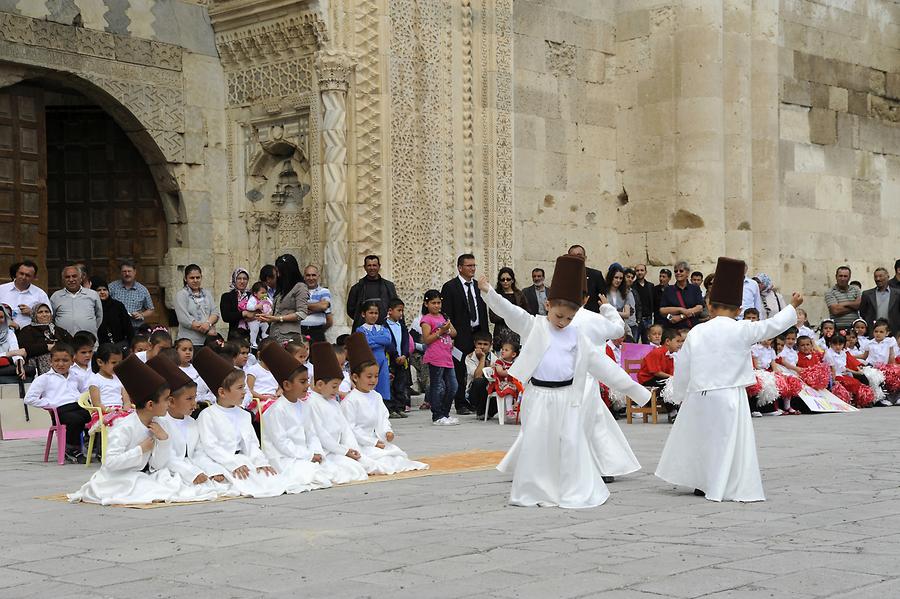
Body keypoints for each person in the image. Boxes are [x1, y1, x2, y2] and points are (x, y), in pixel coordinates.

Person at [480, 255, 651, 508]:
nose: (563, 322)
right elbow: (510, 312)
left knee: (571, 444)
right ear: (547, 305)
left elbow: (605, 368)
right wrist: (489, 293)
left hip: (568, 398)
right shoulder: (534, 326)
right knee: (538, 444)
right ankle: (536, 490)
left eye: (569, 318)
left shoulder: (578, 337)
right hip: (538, 397)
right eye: (559, 316)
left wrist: (637, 392)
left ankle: (573, 488)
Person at [655, 257, 802, 502]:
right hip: (730, 395)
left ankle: (702, 482)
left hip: (700, 394)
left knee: (702, 438)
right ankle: (722, 480)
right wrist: (792, 306)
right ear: (738, 310)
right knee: (727, 441)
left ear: (709, 307)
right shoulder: (742, 328)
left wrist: (680, 394)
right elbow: (772, 326)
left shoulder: (697, 331)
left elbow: (683, 365)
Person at [68, 354, 217, 505]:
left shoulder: (160, 424)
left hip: (140, 475)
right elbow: (110, 463)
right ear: (150, 405)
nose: (169, 403)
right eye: (166, 400)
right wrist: (140, 449)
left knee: (168, 488)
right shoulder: (124, 427)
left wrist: (163, 440)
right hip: (116, 478)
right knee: (152, 490)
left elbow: (157, 465)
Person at [194, 347, 285, 497]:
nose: (244, 392)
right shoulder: (207, 415)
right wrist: (232, 464)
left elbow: (251, 443)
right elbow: (210, 446)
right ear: (222, 392)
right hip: (221, 461)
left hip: (242, 459)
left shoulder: (243, 414)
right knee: (241, 483)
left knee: (269, 479)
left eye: (244, 387)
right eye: (240, 388)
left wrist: (260, 461)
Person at [340, 333, 428, 474]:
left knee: (397, 457)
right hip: (360, 444)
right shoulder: (350, 401)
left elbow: (383, 417)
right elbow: (350, 430)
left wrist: (387, 431)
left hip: (376, 441)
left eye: (376, 376)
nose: (373, 380)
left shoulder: (376, 396)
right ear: (355, 377)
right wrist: (372, 442)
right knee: (378, 462)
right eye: (369, 376)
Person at [146, 354, 231, 494]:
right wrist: (191, 473)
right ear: (171, 401)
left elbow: (198, 452)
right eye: (189, 398)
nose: (194, 403)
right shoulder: (160, 422)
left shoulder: (192, 422)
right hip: (169, 469)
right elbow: (166, 458)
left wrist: (211, 470)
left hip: (192, 468)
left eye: (195, 397)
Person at [257, 342, 333, 492]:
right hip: (282, 458)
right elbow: (281, 443)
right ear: (286, 385)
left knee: (329, 471)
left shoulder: (304, 406)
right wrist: (308, 455)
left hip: (303, 455)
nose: (307, 386)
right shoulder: (275, 410)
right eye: (302, 381)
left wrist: (316, 452)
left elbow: (312, 434)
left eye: (307, 381)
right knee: (313, 476)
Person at [304, 342, 369, 483]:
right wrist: (344, 451)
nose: (337, 390)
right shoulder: (311, 403)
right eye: (334, 386)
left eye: (338, 386)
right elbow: (320, 434)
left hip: (339, 449)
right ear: (320, 384)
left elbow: (345, 429)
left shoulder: (333, 402)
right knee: (346, 471)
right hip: (326, 451)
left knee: (360, 466)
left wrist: (353, 448)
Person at [24, 342, 91, 463]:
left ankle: (93, 445)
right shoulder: (44, 379)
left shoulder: (76, 376)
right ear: (51, 361)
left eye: (65, 360)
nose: (60, 364)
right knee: (75, 420)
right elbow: (29, 398)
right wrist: (50, 403)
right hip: (61, 411)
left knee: (94, 417)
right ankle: (71, 448)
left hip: (78, 407)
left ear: (72, 361)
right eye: (57, 360)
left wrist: (81, 397)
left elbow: (85, 390)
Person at [440, 254, 489, 415]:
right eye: (469, 266)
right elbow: (446, 313)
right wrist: (451, 336)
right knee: (459, 369)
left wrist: (485, 335)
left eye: (474, 265)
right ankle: (460, 402)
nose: (472, 268)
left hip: (477, 333)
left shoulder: (477, 286)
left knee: (480, 366)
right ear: (460, 267)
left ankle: (476, 402)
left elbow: (482, 310)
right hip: (460, 334)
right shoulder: (450, 287)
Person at [420, 289, 459, 426]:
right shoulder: (426, 320)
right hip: (435, 357)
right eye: (433, 303)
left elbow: (454, 332)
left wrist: (447, 329)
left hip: (447, 356)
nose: (436, 306)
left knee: (453, 386)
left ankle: (445, 413)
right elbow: (427, 339)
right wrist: (440, 332)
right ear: (426, 304)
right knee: (437, 386)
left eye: (438, 303)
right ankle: (437, 415)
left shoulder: (443, 316)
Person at [86, 344, 132, 438]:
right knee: (120, 422)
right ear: (100, 362)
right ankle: (115, 448)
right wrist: (111, 411)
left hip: (120, 411)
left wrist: (126, 409)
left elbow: (126, 401)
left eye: (119, 363)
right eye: (114, 362)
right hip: (103, 413)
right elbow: (96, 403)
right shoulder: (94, 379)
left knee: (139, 418)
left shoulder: (119, 378)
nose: (117, 366)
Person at [356, 300, 394, 410]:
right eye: (371, 313)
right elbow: (365, 343)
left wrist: (371, 339)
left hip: (382, 362)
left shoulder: (382, 328)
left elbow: (387, 340)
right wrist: (378, 340)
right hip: (368, 362)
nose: (373, 316)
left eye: (376, 313)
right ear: (364, 314)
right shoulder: (360, 329)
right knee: (370, 387)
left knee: (382, 387)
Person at [262, 254, 309, 343]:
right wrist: (266, 317)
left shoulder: (300, 287)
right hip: (274, 334)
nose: (278, 275)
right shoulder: (281, 289)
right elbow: (276, 312)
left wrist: (278, 318)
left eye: (279, 272)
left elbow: (302, 314)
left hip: (289, 337)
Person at [17, 302, 73, 375]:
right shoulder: (27, 330)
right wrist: (46, 347)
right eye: (40, 312)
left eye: (47, 312)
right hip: (37, 368)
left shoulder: (58, 330)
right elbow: (25, 349)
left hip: (61, 365)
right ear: (34, 315)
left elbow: (71, 345)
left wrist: (57, 348)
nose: (44, 314)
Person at [346, 255, 399, 330]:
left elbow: (395, 306)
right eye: (369, 265)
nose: (372, 268)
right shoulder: (357, 288)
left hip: (385, 328)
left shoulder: (389, 286)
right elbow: (351, 310)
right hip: (363, 330)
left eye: (374, 265)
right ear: (364, 267)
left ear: (379, 266)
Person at [174, 264, 220, 349]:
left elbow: (215, 312)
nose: (195, 280)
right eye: (192, 278)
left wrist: (208, 323)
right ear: (185, 278)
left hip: (208, 342)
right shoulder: (181, 295)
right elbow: (184, 319)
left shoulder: (207, 294)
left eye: (198, 277)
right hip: (189, 343)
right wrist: (206, 330)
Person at [50, 265, 103, 338]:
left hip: (88, 341)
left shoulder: (92, 294)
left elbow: (99, 316)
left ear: (81, 278)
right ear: (63, 280)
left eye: (74, 276)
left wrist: (90, 327)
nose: (71, 280)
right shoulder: (56, 296)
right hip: (64, 343)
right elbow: (51, 318)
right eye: (67, 277)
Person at [0, 260, 50, 329]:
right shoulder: (2, 289)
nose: (23, 277)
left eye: (28, 275)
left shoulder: (40, 294)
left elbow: (48, 318)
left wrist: (32, 313)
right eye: (21, 273)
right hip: (4, 335)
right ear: (16, 273)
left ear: (34, 278)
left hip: (30, 335)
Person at [489, 267, 529, 350]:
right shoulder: (495, 295)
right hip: (500, 333)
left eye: (508, 279)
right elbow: (492, 317)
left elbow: (526, 312)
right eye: (502, 279)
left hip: (516, 332)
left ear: (512, 280)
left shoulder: (519, 295)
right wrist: (510, 316)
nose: (505, 282)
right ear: (499, 281)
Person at [108, 261, 155, 330]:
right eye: (124, 271)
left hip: (136, 327)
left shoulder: (142, 290)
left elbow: (151, 309)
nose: (127, 274)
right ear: (120, 273)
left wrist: (141, 315)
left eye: (129, 271)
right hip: (116, 327)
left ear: (135, 272)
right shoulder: (111, 287)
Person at [384, 298, 412, 417]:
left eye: (402, 311)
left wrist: (405, 355)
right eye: (398, 310)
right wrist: (395, 355)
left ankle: (400, 407)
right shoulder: (384, 326)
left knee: (400, 385)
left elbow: (406, 342)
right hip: (391, 360)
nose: (401, 313)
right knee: (390, 386)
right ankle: (390, 409)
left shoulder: (402, 326)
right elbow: (388, 342)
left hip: (402, 359)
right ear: (390, 311)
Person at [659, 261, 704, 330]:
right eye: (676, 271)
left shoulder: (695, 288)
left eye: (681, 271)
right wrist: (680, 309)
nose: (678, 273)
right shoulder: (668, 289)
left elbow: (699, 308)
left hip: (692, 328)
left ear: (687, 273)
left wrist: (681, 316)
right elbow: (663, 311)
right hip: (673, 330)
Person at [91, 277, 134, 349]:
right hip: (100, 347)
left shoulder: (117, 305)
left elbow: (128, 327)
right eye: (98, 290)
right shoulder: (91, 307)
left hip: (119, 345)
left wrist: (131, 344)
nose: (102, 292)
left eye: (104, 289)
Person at [566, 245, 607, 312]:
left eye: (579, 255)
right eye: (573, 256)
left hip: (592, 317)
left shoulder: (595, 275)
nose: (576, 258)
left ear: (585, 258)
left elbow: (603, 299)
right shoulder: (565, 277)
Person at [859, 267, 900, 334]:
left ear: (888, 277)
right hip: (873, 333)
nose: (878, 279)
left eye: (880, 276)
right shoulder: (867, 294)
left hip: (894, 332)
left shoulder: (897, 294)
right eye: (876, 277)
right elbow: (863, 313)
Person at [466, 331, 496, 419]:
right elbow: (477, 376)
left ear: (491, 345)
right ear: (475, 344)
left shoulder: (495, 358)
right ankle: (480, 411)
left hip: (490, 391)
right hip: (474, 394)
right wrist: (482, 358)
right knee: (479, 381)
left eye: (485, 344)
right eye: (479, 344)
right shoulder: (469, 357)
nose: (482, 347)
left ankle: (487, 412)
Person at [300, 265, 333, 343]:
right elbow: (294, 308)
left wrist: (303, 306)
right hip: (300, 331)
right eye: (308, 275)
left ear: (318, 276)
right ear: (304, 276)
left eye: (313, 275)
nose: (311, 278)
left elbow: (324, 306)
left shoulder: (324, 291)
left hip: (317, 332)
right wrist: (317, 308)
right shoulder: (298, 291)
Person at [219, 267, 252, 339]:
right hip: (235, 336)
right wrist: (243, 314)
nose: (242, 281)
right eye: (239, 278)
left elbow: (264, 305)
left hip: (252, 335)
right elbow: (226, 317)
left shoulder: (252, 295)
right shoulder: (227, 296)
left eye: (245, 279)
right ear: (234, 279)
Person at [825, 265, 862, 331]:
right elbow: (835, 311)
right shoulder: (830, 292)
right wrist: (854, 307)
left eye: (845, 276)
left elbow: (860, 305)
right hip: (837, 329)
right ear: (836, 277)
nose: (842, 279)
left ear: (849, 277)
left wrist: (844, 304)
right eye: (840, 276)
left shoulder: (856, 289)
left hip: (854, 329)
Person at [606, 265, 637, 340]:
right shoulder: (604, 292)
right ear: (611, 277)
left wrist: (611, 311)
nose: (618, 280)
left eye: (621, 278)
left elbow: (627, 314)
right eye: (616, 277)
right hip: (606, 327)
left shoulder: (625, 293)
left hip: (621, 326)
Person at [0, 305, 26, 378]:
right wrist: (10, 353)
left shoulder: (9, 333)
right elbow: (14, 352)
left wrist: (19, 364)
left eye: (1, 317)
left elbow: (15, 351)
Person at [245, 282, 273, 349]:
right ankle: (253, 341)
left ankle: (264, 335)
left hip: (262, 318)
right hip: (253, 319)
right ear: (255, 293)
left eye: (265, 293)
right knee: (254, 329)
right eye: (262, 293)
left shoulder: (265, 298)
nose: (264, 295)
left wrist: (271, 304)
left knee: (265, 325)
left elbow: (271, 303)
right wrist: (256, 307)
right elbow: (248, 307)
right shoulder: (253, 299)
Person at [632, 264, 654, 343]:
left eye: (642, 270)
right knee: (634, 343)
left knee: (647, 344)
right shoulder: (632, 286)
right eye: (637, 271)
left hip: (648, 319)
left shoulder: (650, 286)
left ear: (645, 272)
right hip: (636, 320)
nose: (639, 272)